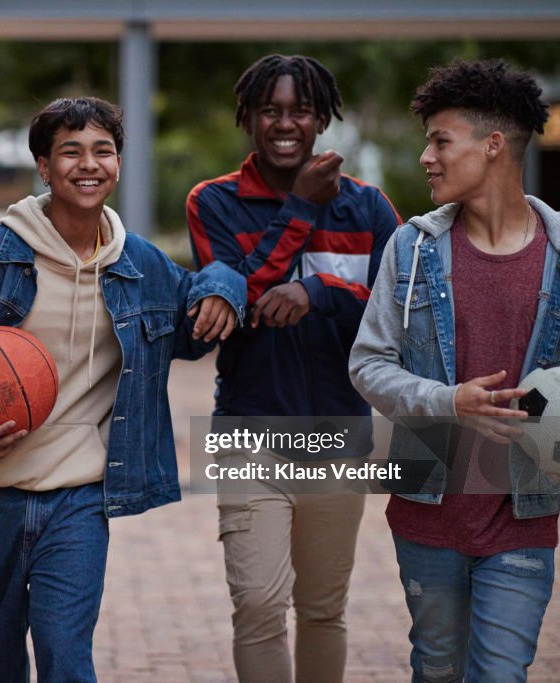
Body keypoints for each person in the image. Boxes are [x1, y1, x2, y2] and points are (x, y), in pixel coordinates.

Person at [0, 96, 245, 683]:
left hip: (78, 501)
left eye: (103, 150)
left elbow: (198, 309)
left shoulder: (141, 264)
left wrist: (224, 287)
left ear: (119, 163)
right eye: (71, 151)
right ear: (43, 166)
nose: (89, 164)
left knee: (66, 659)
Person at [349, 59, 560, 682]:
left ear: (493, 146)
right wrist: (447, 400)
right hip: (427, 510)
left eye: (440, 140)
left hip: (525, 513)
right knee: (436, 668)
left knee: (500, 675)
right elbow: (367, 363)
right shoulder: (410, 249)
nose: (425, 157)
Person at [186, 54, 400, 682]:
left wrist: (323, 294)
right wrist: (302, 208)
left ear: (321, 118)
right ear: (248, 117)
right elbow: (238, 302)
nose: (285, 123)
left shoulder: (367, 208)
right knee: (256, 604)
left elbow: (398, 317)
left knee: (323, 610)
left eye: (300, 110)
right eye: (270, 110)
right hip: (250, 430)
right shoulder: (214, 203)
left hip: (339, 432)